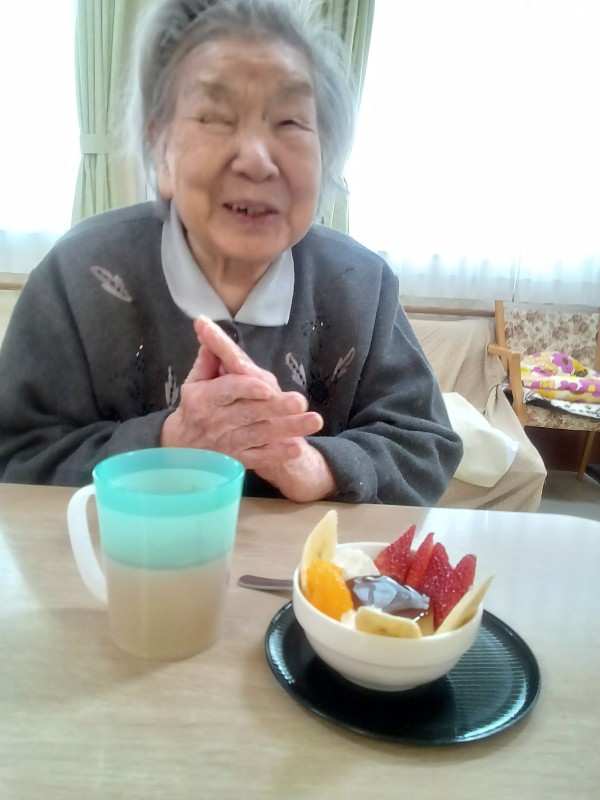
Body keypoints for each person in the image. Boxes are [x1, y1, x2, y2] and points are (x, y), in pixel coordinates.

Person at [0, 0, 462, 505]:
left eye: (289, 121)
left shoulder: (362, 284)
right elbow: (16, 453)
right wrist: (167, 447)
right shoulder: (76, 277)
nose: (257, 160)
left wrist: (318, 465)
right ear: (160, 150)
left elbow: (426, 445)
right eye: (216, 118)